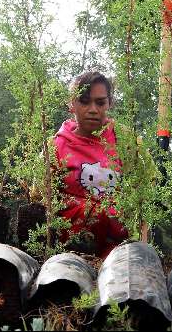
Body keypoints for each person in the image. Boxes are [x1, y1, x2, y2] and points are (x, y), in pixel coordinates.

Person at [53, 71, 129, 258]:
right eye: (85, 102)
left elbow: (145, 190)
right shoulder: (57, 146)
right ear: (72, 104)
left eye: (100, 102)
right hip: (70, 253)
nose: (93, 109)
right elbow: (42, 199)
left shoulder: (125, 141)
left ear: (109, 103)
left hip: (121, 253)